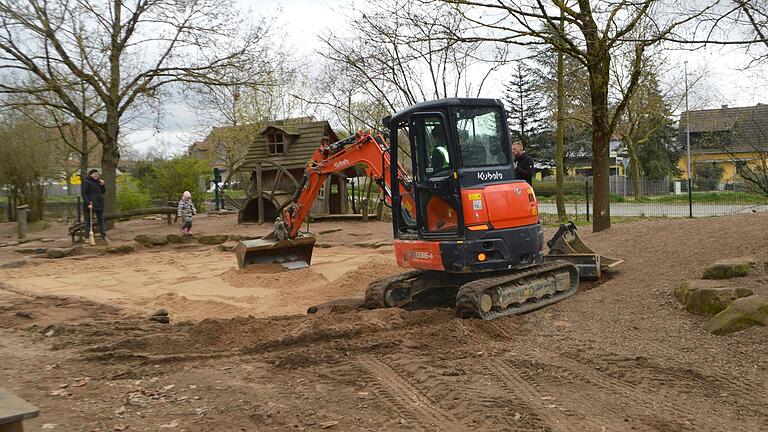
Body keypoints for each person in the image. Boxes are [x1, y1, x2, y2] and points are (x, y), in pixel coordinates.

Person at [82, 168, 106, 241]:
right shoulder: (87, 182)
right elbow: (84, 193)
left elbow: (103, 192)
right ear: (90, 174)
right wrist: (88, 203)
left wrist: (102, 185)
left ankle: (103, 235)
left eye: (97, 174)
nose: (96, 175)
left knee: (101, 220)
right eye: (94, 174)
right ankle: (87, 237)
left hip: (99, 204)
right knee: (88, 221)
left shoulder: (99, 182)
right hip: (90, 205)